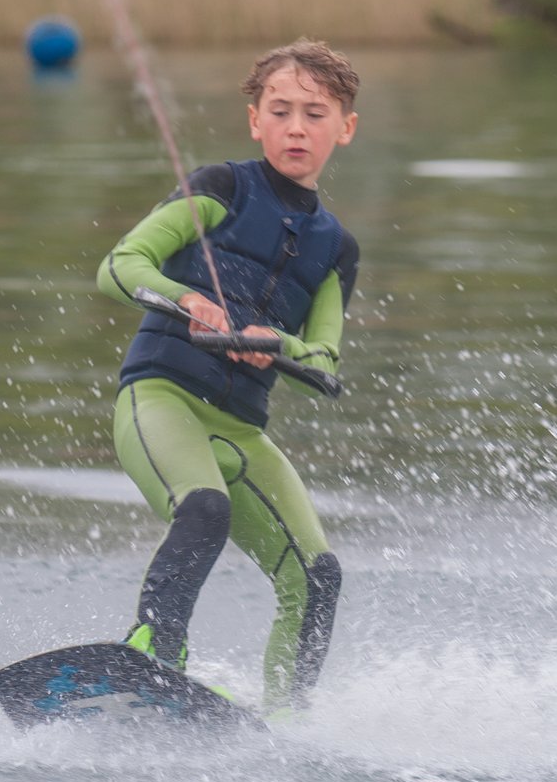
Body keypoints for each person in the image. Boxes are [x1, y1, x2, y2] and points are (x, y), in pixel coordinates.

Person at [95, 38, 361, 715]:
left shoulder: (337, 250)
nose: (296, 127)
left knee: (319, 577)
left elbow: (325, 361)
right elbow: (122, 265)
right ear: (255, 119)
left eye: (315, 113)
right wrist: (187, 300)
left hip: (242, 430)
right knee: (204, 508)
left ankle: (285, 720)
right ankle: (154, 654)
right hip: (162, 402)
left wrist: (278, 346)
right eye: (280, 110)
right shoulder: (221, 188)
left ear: (346, 128)